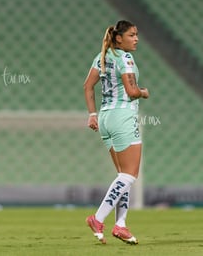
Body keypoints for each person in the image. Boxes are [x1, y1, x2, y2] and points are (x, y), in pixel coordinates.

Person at [83, 20, 149, 245]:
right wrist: (143, 92)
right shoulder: (125, 57)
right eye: (132, 34)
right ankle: (98, 218)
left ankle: (120, 225)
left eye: (137, 34)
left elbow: (87, 86)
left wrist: (92, 115)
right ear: (119, 38)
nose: (136, 38)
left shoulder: (101, 56)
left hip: (105, 118)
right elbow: (131, 91)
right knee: (129, 175)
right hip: (123, 117)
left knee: (123, 177)